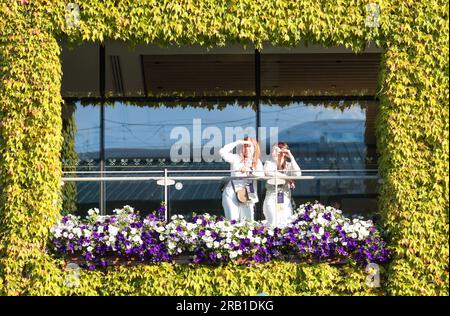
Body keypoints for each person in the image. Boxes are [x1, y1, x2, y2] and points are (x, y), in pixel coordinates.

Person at [219, 137, 264, 221]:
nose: (247, 148)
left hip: (247, 195)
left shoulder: (257, 162)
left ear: (254, 148)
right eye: (245, 146)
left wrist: (250, 171)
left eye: (249, 146)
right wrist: (238, 142)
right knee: (232, 221)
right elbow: (222, 152)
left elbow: (261, 176)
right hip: (231, 193)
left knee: (247, 221)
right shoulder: (236, 158)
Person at [263, 142, 301, 227]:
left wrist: (291, 157)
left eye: (276, 150)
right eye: (272, 151)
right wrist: (287, 178)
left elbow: (298, 174)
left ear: (283, 152)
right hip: (271, 197)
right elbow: (269, 173)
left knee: (287, 223)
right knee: (272, 222)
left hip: (285, 198)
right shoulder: (269, 163)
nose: (273, 153)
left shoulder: (288, 165)